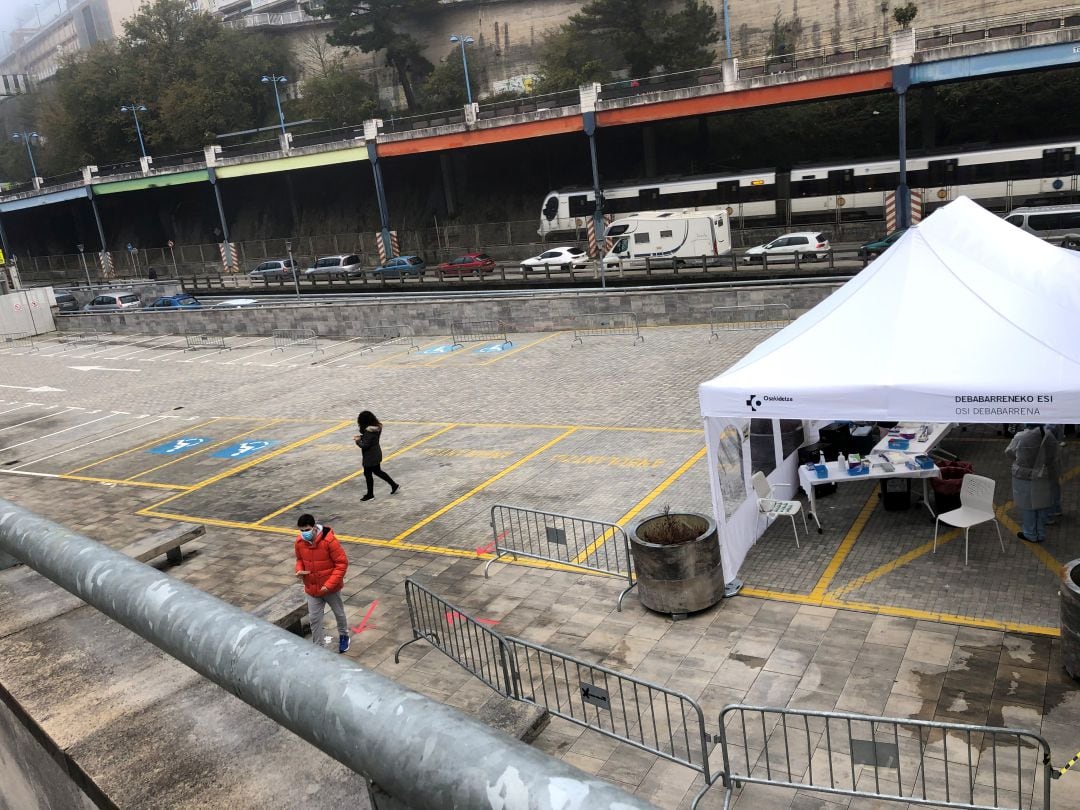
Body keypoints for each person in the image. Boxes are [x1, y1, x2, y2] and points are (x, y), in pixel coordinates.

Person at [294, 513, 350, 653]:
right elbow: (299, 560)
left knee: (339, 613)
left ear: (314, 528)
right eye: (301, 530)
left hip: (330, 588)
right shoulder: (299, 543)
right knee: (314, 619)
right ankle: (318, 647)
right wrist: (299, 570)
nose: (304, 533)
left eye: (306, 530)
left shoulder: (329, 541)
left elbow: (341, 564)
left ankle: (344, 636)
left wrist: (328, 585)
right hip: (312, 588)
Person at [1006, 424, 1059, 543]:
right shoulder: (1049, 435)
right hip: (1045, 474)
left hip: (1024, 475)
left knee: (1028, 506)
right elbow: (1054, 454)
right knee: (1042, 503)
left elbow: (1009, 452)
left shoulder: (1021, 437)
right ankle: (1041, 532)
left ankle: (1030, 533)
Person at [354, 410, 399, 502]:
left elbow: (365, 445)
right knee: (378, 471)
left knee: (368, 474)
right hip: (376, 453)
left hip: (370, 456)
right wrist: (362, 437)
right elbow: (371, 439)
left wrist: (358, 440)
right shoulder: (377, 427)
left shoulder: (369, 431)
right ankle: (394, 485)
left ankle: (370, 494)